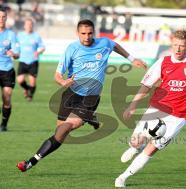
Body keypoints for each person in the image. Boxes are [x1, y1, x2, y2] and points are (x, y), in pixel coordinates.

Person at [16, 19, 147, 172]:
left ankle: (31, 162)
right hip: (71, 94)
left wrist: (132, 59)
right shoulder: (72, 49)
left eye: (90, 33)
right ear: (77, 33)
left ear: (94, 33)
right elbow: (57, 75)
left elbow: (115, 45)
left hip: (90, 98)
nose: (87, 37)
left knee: (65, 129)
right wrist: (62, 82)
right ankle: (91, 118)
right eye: (83, 33)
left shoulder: (104, 43)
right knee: (59, 133)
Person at [115, 29, 186, 188]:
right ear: (171, 44)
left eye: (182, 46)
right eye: (175, 45)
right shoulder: (163, 62)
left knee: (152, 148)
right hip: (157, 109)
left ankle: (123, 177)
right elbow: (146, 86)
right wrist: (132, 105)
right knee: (135, 142)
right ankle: (135, 148)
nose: (178, 49)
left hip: (179, 116)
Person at [0, 7, 19, 132]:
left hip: (7, 71)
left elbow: (17, 54)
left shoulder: (11, 35)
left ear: (6, 18)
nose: (1, 19)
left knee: (6, 97)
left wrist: (14, 54)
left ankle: (4, 124)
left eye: (3, 17)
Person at [17, 18, 45, 101]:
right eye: (27, 24)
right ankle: (26, 88)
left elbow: (42, 47)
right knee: (20, 80)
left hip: (33, 61)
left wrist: (38, 52)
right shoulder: (19, 35)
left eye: (30, 24)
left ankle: (30, 95)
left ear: (32, 26)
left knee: (32, 82)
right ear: (24, 26)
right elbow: (15, 46)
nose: (29, 26)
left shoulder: (36, 36)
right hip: (22, 61)